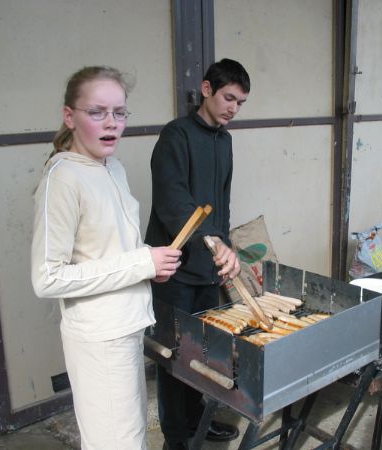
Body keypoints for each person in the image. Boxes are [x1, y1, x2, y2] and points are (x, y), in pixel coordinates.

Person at [31, 66, 182, 450]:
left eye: (119, 112)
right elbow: (48, 277)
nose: (111, 122)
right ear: (70, 116)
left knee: (127, 436)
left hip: (126, 327)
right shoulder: (63, 179)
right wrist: (141, 264)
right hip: (99, 338)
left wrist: (148, 265)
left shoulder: (112, 167)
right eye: (97, 112)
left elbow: (110, 248)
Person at [145, 58, 250, 450]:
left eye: (240, 103)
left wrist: (226, 247)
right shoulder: (176, 136)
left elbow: (220, 204)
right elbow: (173, 201)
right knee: (173, 354)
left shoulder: (225, 141)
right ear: (207, 89)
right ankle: (176, 437)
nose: (233, 108)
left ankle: (198, 422)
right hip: (173, 269)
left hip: (208, 266)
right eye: (228, 98)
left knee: (202, 351)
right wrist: (213, 242)